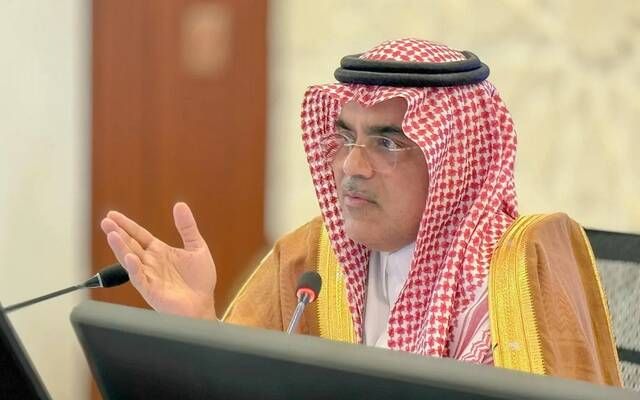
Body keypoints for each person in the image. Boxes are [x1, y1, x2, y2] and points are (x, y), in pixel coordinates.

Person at [100, 39, 622, 386]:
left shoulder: (520, 271)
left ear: (455, 161)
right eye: (345, 137)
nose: (351, 165)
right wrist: (197, 324)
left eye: (387, 142)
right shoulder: (308, 262)